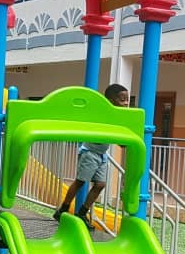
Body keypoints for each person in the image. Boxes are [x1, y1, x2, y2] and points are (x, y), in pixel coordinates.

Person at [53, 84, 130, 229]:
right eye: (122, 100)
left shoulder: (119, 116)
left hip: (102, 154)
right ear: (111, 101)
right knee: (81, 182)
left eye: (127, 100)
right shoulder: (102, 113)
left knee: (100, 184)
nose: (126, 103)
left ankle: (82, 212)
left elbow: (118, 137)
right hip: (89, 152)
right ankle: (63, 209)